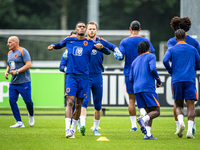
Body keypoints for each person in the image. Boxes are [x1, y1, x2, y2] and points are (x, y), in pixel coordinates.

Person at [47, 21, 110, 138]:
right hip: (71, 76)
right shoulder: (69, 40)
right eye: (79, 26)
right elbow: (59, 45)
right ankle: (67, 129)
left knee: (79, 105)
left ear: (85, 30)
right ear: (76, 29)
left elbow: (107, 52)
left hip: (84, 77)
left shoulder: (90, 42)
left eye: (83, 27)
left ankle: (72, 130)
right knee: (70, 102)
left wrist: (103, 47)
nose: (82, 28)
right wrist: (53, 46)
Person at [78, 21, 122, 136]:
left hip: (97, 76)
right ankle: (82, 125)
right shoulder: (83, 42)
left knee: (98, 104)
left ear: (96, 30)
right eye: (90, 29)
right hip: (85, 77)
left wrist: (116, 50)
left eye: (93, 29)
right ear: (86, 30)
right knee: (84, 102)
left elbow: (112, 47)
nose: (91, 31)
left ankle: (95, 128)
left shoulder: (101, 41)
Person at [116, 20, 155, 131]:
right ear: (140, 29)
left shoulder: (124, 41)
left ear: (130, 29)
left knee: (131, 99)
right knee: (143, 98)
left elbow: (120, 56)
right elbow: (151, 55)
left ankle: (133, 125)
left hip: (129, 73)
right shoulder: (145, 40)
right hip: (143, 74)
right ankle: (143, 116)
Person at [163, 29, 200, 139]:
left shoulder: (172, 49)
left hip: (176, 80)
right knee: (191, 106)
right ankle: (189, 131)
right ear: (185, 36)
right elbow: (199, 64)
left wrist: (170, 70)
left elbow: (165, 60)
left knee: (178, 104)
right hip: (189, 80)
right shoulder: (193, 49)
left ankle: (181, 123)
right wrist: (193, 68)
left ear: (175, 38)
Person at [129, 41, 162, 140]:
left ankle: (147, 134)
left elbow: (130, 78)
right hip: (147, 87)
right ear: (148, 48)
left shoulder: (134, 61)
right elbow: (152, 68)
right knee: (156, 111)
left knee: (149, 112)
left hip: (137, 89)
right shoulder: (151, 56)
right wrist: (158, 79)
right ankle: (142, 120)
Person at [5, 36, 35, 128]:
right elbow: (9, 64)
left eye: (10, 42)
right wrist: (6, 71)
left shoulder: (23, 51)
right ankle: (19, 121)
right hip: (13, 83)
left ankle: (31, 115)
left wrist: (17, 71)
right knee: (12, 101)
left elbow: (29, 64)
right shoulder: (9, 53)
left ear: (15, 43)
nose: (8, 44)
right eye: (8, 42)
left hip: (24, 82)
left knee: (28, 101)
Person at [59, 31, 77, 124]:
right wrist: (70, 69)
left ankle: (78, 121)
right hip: (70, 79)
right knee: (71, 102)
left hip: (82, 79)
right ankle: (70, 124)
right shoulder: (66, 52)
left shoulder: (83, 49)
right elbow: (61, 67)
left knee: (80, 103)